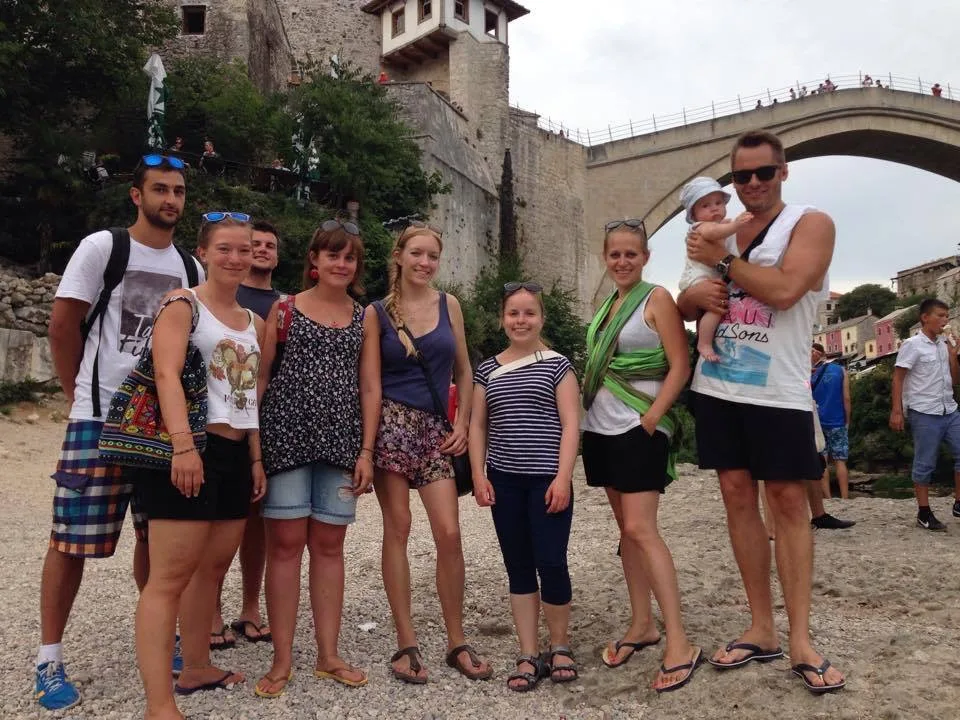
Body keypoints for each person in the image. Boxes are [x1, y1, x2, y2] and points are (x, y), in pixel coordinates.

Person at [35, 154, 202, 711]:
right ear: (137, 195)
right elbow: (64, 323)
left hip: (157, 426)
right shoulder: (103, 248)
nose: (170, 200)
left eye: (178, 191)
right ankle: (49, 657)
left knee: (156, 537)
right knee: (71, 541)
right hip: (99, 418)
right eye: (160, 189)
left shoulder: (190, 267)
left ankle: (161, 638)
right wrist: (76, 394)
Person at [682, 130, 846, 694]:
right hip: (719, 386)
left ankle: (800, 637)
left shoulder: (810, 223)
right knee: (735, 496)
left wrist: (723, 263)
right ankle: (762, 625)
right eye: (742, 176)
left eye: (763, 173)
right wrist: (694, 296)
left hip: (777, 389)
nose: (752, 184)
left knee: (787, 501)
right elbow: (689, 298)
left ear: (783, 172)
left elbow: (785, 290)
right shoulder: (721, 232)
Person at [134, 212, 265, 718]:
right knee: (169, 577)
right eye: (225, 249)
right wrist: (183, 446)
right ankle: (158, 703)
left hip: (234, 453)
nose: (236, 258)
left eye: (244, 249)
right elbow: (165, 374)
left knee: (211, 570)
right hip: (189, 447)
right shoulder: (182, 303)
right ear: (204, 253)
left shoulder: (252, 321)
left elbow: (249, 393)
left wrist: (255, 458)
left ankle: (196, 666)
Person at [254, 220, 379, 698]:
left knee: (330, 549)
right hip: (285, 439)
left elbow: (370, 385)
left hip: (340, 443)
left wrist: (366, 449)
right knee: (284, 549)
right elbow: (261, 381)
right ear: (314, 261)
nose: (341, 264)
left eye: (349, 257)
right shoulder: (283, 309)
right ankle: (282, 658)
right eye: (333, 255)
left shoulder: (364, 315)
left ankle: (328, 654)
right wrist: (255, 452)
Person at [583, 219, 702, 693]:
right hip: (601, 427)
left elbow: (680, 364)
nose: (622, 261)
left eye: (631, 253)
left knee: (640, 529)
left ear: (646, 256)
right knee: (626, 534)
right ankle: (642, 624)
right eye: (615, 254)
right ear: (605, 257)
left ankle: (680, 641)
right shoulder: (607, 305)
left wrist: (652, 418)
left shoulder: (656, 300)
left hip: (637, 427)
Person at [370, 222, 492, 684]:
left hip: (438, 428)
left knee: (449, 532)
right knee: (397, 528)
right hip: (391, 424)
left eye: (432, 256)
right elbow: (370, 381)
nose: (424, 263)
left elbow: (465, 367)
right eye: (416, 254)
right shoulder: (377, 312)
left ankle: (455, 639)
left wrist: (461, 424)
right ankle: (406, 641)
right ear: (399, 256)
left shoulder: (450, 305)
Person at [469, 282, 580, 692]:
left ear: (541, 318)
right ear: (503, 319)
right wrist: (479, 474)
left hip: (548, 480)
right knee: (518, 566)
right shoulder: (487, 370)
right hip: (505, 480)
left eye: (529, 313)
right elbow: (478, 424)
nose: (521, 320)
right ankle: (528, 651)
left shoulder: (557, 365)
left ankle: (561, 645)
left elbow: (571, 423)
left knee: (551, 561)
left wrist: (563, 476)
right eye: (513, 313)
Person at [210, 220, 282, 649]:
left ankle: (250, 607)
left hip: (265, 424)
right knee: (218, 521)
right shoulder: (217, 295)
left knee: (256, 524)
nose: (261, 251)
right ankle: (212, 608)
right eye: (254, 244)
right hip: (222, 422)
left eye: (269, 246)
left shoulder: (283, 304)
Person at [890, 298, 960, 531]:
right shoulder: (912, 344)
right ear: (925, 317)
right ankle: (923, 512)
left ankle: (958, 503)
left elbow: (955, 379)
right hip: (924, 411)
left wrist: (953, 354)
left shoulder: (943, 344)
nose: (944, 320)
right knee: (925, 462)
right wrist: (897, 410)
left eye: (946, 316)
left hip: (948, 408)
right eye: (940, 315)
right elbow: (898, 378)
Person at [677, 177, 753, 362]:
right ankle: (703, 342)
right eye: (705, 205)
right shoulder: (701, 227)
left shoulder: (719, 224)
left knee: (714, 307)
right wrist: (735, 225)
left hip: (705, 277)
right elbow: (713, 233)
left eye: (718, 202)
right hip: (699, 278)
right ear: (693, 215)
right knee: (716, 308)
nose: (714, 208)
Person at [811, 342, 851, 499]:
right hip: (838, 421)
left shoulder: (810, 373)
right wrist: (847, 420)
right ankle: (845, 497)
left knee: (823, 460)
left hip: (818, 422)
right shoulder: (841, 370)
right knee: (840, 460)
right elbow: (846, 398)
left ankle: (827, 498)